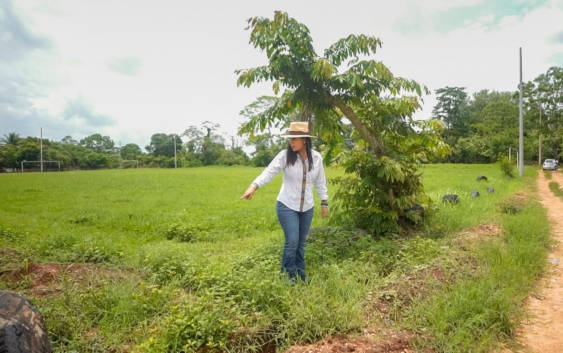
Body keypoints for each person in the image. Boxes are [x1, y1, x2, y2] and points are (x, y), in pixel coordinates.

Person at [240, 122, 329, 283]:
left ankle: (300, 273)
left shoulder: (316, 158)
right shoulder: (285, 155)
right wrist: (254, 186)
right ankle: (288, 275)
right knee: (292, 241)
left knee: (301, 243)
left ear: (304, 140)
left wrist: (324, 202)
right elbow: (269, 172)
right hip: (287, 205)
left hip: (307, 207)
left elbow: (320, 182)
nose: (291, 142)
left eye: (295, 139)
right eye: (290, 139)